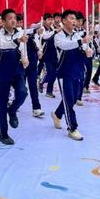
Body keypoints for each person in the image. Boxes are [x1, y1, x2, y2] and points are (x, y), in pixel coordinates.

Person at [50, 10, 91, 141]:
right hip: (64, 72)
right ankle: (72, 128)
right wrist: (81, 42)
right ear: (64, 21)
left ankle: (57, 114)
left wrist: (89, 50)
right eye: (71, 18)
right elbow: (65, 46)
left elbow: (85, 49)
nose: (74, 21)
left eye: (75, 19)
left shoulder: (78, 36)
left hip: (78, 71)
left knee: (73, 99)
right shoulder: (58, 36)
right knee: (68, 100)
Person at [0, 8, 29, 145]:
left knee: (22, 92)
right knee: (1, 104)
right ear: (3, 21)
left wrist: (26, 59)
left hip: (17, 70)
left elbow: (23, 50)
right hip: (2, 72)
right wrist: (18, 40)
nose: (13, 20)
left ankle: (12, 110)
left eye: (14, 18)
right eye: (9, 18)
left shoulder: (21, 33)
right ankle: (3, 133)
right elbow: (3, 46)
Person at [40, 13, 61, 98]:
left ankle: (49, 91)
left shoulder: (53, 28)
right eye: (48, 20)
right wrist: (55, 31)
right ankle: (41, 82)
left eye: (51, 20)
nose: (50, 21)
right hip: (45, 54)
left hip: (54, 53)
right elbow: (45, 37)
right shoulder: (42, 29)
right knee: (50, 72)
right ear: (44, 21)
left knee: (55, 73)